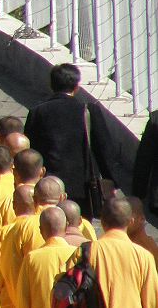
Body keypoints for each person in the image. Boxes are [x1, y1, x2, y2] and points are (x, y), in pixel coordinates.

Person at [24, 63, 113, 218]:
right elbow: (104, 149)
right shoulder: (88, 111)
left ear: (52, 85)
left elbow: (31, 151)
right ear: (76, 87)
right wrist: (111, 181)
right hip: (84, 187)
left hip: (50, 187)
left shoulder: (38, 112)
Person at [67, 197, 158, 308]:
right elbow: (153, 307)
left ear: (102, 222)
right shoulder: (143, 256)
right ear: (129, 221)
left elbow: (67, 294)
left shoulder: (84, 252)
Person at [15, 207, 76, 308]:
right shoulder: (78, 255)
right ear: (66, 227)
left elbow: (23, 306)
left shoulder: (32, 259)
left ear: (41, 231)